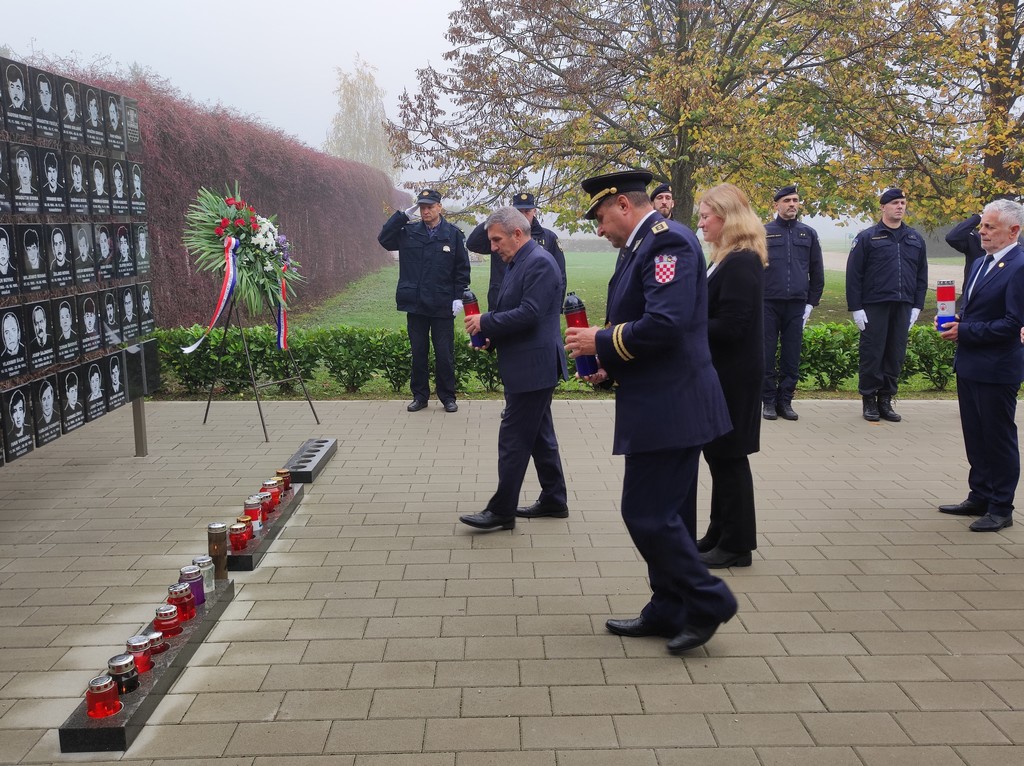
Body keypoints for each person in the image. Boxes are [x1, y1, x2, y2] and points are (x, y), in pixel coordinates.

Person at [565, 169, 737, 655]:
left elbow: (666, 323)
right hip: (660, 400)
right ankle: (667, 606)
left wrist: (598, 339)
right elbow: (636, 324)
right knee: (670, 516)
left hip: (672, 404)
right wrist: (607, 364)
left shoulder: (668, 244)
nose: (599, 229)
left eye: (600, 217)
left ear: (622, 205)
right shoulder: (638, 248)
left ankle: (709, 599)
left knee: (645, 512)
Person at [459, 207, 569, 531]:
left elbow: (530, 313)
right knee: (539, 436)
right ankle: (554, 498)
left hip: (532, 368)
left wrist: (485, 322)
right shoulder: (519, 261)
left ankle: (502, 510)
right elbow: (515, 311)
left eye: (496, 239)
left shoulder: (539, 262)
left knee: (513, 439)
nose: (492, 247)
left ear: (517, 234)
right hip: (526, 362)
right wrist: (492, 336)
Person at [691, 183, 767, 568]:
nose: (701, 223)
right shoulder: (725, 257)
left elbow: (734, 325)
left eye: (706, 216)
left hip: (733, 376)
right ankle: (719, 531)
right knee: (718, 455)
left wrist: (688, 324)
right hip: (723, 373)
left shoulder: (741, 261)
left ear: (727, 217)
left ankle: (737, 545)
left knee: (730, 457)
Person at [937, 199, 1024, 532]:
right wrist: (955, 320)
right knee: (975, 435)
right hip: (971, 362)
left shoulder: (1018, 265)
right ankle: (980, 495)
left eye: (990, 227)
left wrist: (966, 330)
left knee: (998, 438)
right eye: (982, 226)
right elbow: (974, 309)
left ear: (1013, 231)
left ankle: (1002, 506)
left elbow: (1012, 323)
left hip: (997, 367)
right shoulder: (981, 262)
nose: (982, 232)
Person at [377, 189, 471, 413]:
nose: (426, 211)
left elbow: (461, 269)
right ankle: (420, 396)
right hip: (416, 303)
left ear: (439, 207)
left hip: (442, 303)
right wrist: (401, 216)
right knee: (418, 352)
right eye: (422, 207)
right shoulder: (409, 231)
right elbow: (384, 239)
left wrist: (459, 297)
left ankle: (448, 396)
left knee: (444, 353)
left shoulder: (453, 234)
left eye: (430, 206)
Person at [846, 188, 928, 422]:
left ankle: (886, 399)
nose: (900, 207)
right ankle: (869, 399)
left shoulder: (914, 238)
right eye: (894, 203)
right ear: (883, 207)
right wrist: (856, 307)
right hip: (875, 304)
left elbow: (922, 274)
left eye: (903, 202)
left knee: (895, 353)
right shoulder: (867, 237)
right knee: (873, 353)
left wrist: (917, 306)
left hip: (903, 305)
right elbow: (854, 274)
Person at [762, 184, 824, 421]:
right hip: (768, 302)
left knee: (791, 355)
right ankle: (768, 400)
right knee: (766, 353)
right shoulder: (763, 231)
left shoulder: (807, 233)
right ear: (776, 204)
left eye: (795, 200)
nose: (791, 205)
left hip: (796, 304)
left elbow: (816, 270)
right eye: (787, 200)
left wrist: (811, 303)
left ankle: (785, 401)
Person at [466, 192, 567, 309]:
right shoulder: (500, 235)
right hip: (500, 301)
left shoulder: (548, 237)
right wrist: (495, 218)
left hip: (533, 300)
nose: (523, 215)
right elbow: (473, 244)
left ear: (534, 211)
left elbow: (560, 274)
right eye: (519, 212)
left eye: (527, 211)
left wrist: (556, 306)